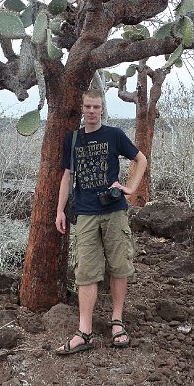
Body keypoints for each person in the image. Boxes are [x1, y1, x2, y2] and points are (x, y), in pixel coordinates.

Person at [55, 89, 147, 355]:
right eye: (87, 106)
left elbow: (140, 160)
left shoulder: (115, 135)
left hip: (114, 210)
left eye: (96, 107)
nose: (92, 111)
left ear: (102, 109)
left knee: (119, 265)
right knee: (85, 270)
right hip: (84, 212)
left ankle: (117, 322)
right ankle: (84, 331)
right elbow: (67, 175)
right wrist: (60, 210)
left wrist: (130, 188)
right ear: (82, 109)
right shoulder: (72, 140)